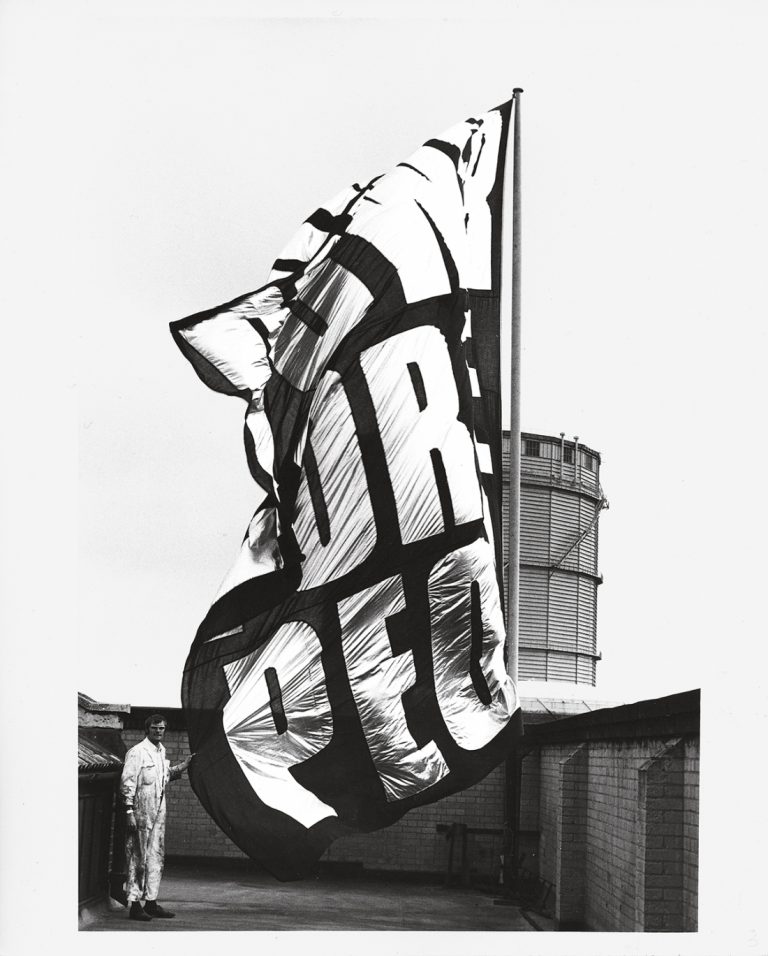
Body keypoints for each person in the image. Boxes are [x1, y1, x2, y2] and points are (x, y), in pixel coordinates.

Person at [119, 714, 194, 922]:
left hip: (158, 812)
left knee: (156, 857)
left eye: (161, 728)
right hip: (140, 812)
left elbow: (163, 776)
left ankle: (151, 902)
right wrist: (129, 812)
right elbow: (127, 782)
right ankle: (135, 904)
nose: (158, 731)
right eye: (154, 728)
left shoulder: (161, 752)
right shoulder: (137, 752)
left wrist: (184, 765)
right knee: (137, 858)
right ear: (147, 729)